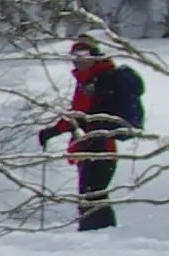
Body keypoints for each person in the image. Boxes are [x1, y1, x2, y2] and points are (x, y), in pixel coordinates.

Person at [37, 39, 143, 231]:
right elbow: (78, 114)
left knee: (92, 195)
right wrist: (54, 130)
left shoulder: (102, 79)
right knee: (91, 195)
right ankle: (99, 234)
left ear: (94, 56)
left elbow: (90, 115)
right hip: (88, 146)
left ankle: (96, 235)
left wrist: (84, 127)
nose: (78, 61)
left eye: (83, 55)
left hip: (101, 146)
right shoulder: (86, 80)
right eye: (74, 56)